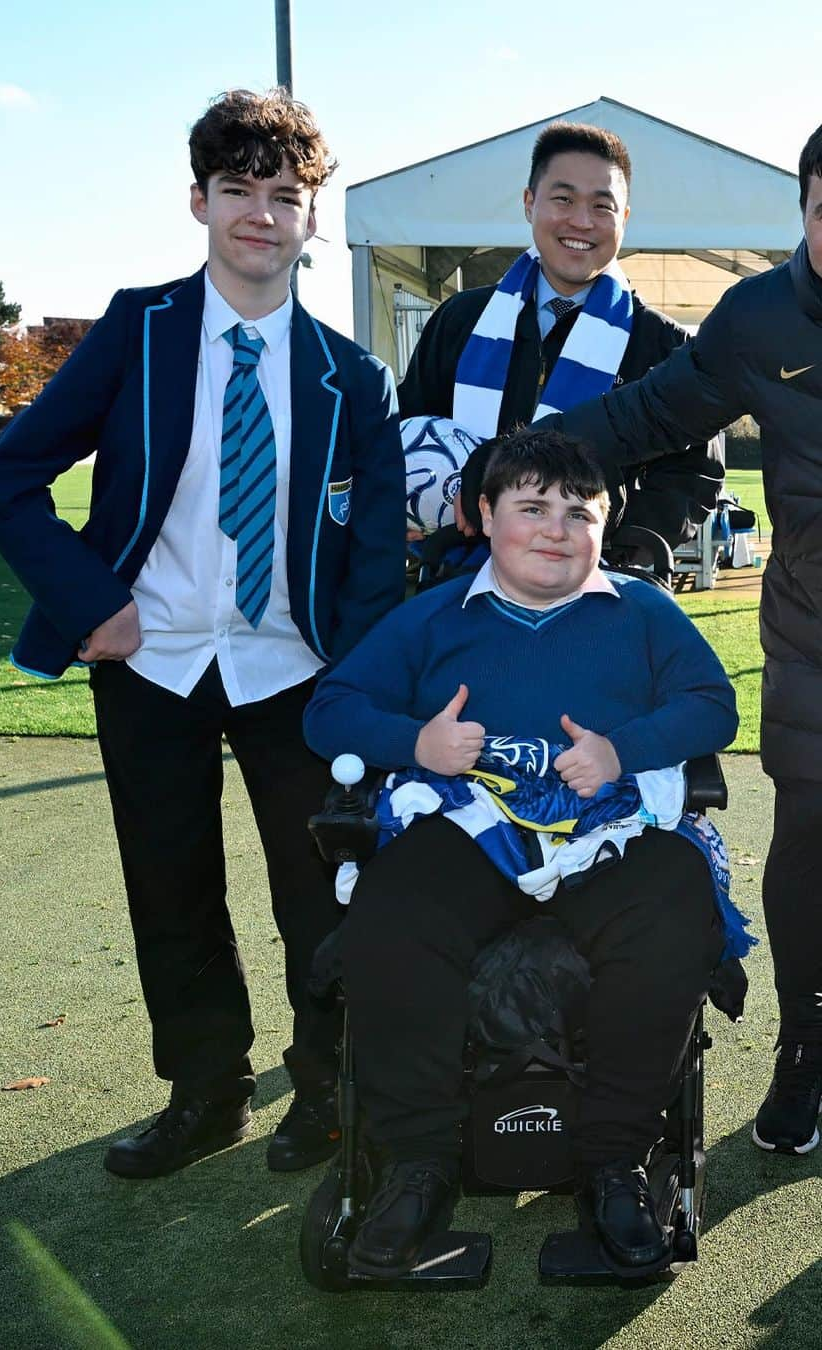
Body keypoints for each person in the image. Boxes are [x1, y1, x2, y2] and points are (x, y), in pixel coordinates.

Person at [0, 88, 405, 1180]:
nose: (261, 215)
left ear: (315, 216)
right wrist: (92, 604)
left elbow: (375, 554)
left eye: (284, 196)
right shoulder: (140, 328)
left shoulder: (351, 376)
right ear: (199, 200)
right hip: (151, 660)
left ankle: (328, 1092)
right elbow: (10, 478)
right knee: (170, 890)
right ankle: (206, 1092)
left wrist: (350, 677)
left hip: (292, 675)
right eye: (238, 193)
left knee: (322, 898)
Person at [304, 428, 738, 1277]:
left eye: (579, 513)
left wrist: (624, 748)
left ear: (605, 528)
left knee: (677, 902)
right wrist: (415, 743)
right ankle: (419, 1166)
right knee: (392, 915)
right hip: (472, 824)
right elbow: (330, 709)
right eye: (531, 508)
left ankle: (614, 1162)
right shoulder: (429, 617)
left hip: (604, 828)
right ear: (483, 517)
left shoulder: (645, 612)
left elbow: (711, 706)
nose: (555, 529)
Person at [546, 121, 822, 1157]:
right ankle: (807, 1046)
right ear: (802, 211)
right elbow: (639, 420)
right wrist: (516, 471)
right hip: (814, 638)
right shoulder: (758, 321)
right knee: (810, 850)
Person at [398, 120, 723, 552]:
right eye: (563, 199)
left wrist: (615, 548)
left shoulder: (664, 345)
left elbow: (695, 475)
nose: (581, 222)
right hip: (464, 576)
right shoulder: (461, 320)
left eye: (602, 206)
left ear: (624, 219)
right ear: (529, 203)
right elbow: (408, 428)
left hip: (594, 584)